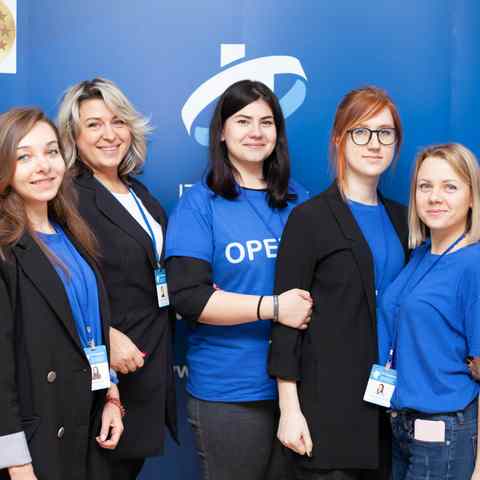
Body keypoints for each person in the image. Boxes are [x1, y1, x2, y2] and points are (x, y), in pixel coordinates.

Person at [165, 79, 312, 480]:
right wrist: (274, 307)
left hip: (299, 388)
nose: (256, 132)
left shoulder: (300, 200)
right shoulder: (199, 205)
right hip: (230, 392)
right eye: (243, 121)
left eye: (266, 122)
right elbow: (190, 298)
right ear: (221, 131)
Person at [268, 86, 408, 479]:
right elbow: (286, 323)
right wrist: (289, 410)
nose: (374, 143)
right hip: (326, 411)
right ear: (338, 139)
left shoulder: (405, 221)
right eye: (361, 132)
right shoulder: (309, 219)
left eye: (385, 133)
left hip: (391, 413)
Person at [57, 78, 177, 480]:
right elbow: (55, 287)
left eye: (118, 121)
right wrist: (105, 336)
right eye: (93, 125)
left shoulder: (139, 193)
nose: (109, 134)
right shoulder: (66, 197)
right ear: (74, 135)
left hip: (146, 368)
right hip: (101, 380)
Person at [0, 108, 123, 480]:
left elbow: (88, 327)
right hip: (36, 439)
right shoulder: (5, 248)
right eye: (24, 156)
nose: (43, 166)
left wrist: (110, 394)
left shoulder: (71, 232)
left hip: (85, 424)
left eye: (51, 152)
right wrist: (15, 462)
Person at [378, 143, 480, 479]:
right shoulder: (421, 254)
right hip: (402, 426)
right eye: (425, 186)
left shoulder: (473, 264)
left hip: (445, 431)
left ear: (471, 197)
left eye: (450, 187)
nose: (435, 197)